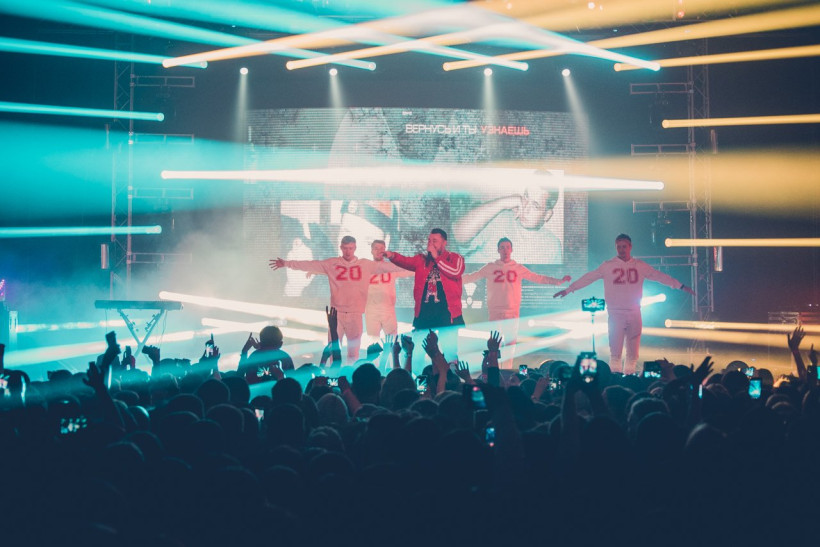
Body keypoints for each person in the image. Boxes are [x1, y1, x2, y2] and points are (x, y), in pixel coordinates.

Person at [553, 233, 695, 375]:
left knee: (633, 354)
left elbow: (659, 276)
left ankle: (629, 378)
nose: (621, 250)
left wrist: (680, 285)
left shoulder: (639, 265)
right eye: (619, 247)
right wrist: (569, 289)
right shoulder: (608, 265)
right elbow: (589, 277)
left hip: (634, 312)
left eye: (624, 246)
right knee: (615, 352)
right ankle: (615, 377)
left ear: (630, 247)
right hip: (616, 313)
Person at [270, 235, 403, 364]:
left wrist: (412, 264)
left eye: (350, 248)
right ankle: (333, 376)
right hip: (336, 315)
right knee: (333, 351)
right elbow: (311, 264)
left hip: (355, 315)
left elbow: (390, 267)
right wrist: (286, 263)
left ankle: (350, 377)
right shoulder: (332, 263)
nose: (348, 251)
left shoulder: (365, 264)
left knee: (353, 353)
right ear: (340, 247)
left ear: (355, 248)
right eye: (345, 248)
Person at [463, 237, 571, 368]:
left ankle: (506, 371)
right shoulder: (490, 267)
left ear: (512, 250)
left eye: (507, 247)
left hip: (512, 312)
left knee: (510, 345)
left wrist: (558, 281)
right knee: (494, 345)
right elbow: (472, 276)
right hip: (495, 311)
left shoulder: (518, 268)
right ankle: (494, 371)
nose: (505, 250)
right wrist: (451, 279)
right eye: (502, 247)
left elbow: (537, 278)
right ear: (498, 250)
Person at [384, 228, 465, 362]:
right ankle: (418, 374)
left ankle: (450, 374)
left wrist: (437, 257)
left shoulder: (455, 258)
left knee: (450, 353)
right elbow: (405, 261)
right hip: (425, 314)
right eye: (429, 240)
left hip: (447, 315)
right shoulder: (421, 260)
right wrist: (392, 255)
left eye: (435, 241)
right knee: (417, 352)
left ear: (444, 243)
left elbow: (455, 272)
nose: (430, 243)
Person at [453, 185, 563, 264]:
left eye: (535, 206)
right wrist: (503, 203)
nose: (525, 209)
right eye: (526, 197)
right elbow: (457, 235)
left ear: (547, 215)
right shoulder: (500, 217)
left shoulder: (552, 246)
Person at [365, 239, 413, 342]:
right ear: (371, 250)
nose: (379, 251)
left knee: (393, 342)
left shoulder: (391, 267)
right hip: (371, 311)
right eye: (376, 248)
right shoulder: (365, 268)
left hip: (388, 310)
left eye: (381, 248)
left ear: (385, 250)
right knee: (373, 343)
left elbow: (409, 270)